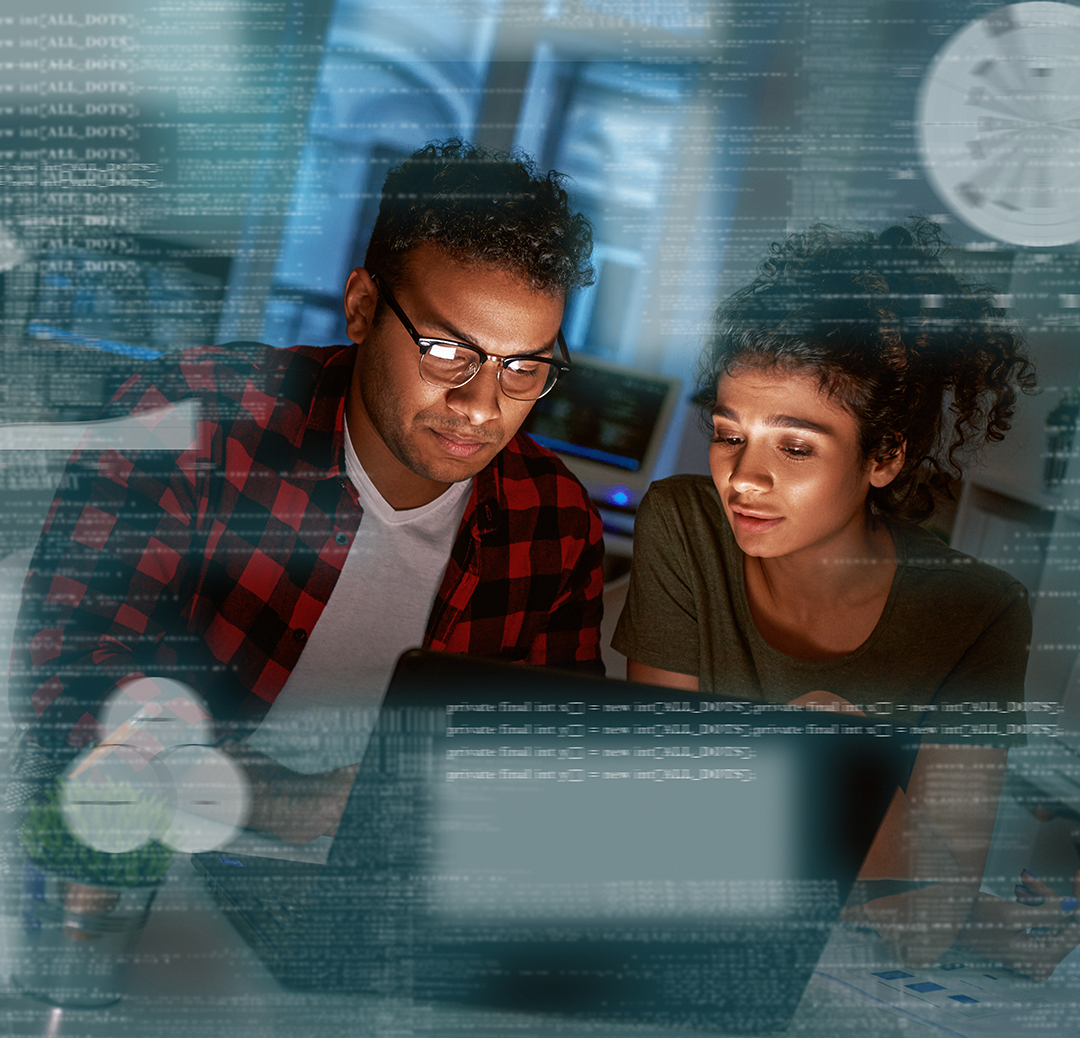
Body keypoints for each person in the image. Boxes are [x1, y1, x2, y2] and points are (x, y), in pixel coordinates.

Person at [10, 138, 603, 842]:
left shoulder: (555, 524)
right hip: (148, 851)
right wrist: (260, 795)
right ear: (361, 308)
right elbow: (64, 673)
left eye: (523, 369)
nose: (482, 405)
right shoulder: (196, 419)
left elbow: (551, 769)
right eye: (448, 352)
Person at [613, 220, 1043, 969]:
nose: (744, 479)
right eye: (728, 433)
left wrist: (848, 772)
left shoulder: (980, 613)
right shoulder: (685, 524)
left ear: (884, 457)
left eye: (797, 447)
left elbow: (921, 936)